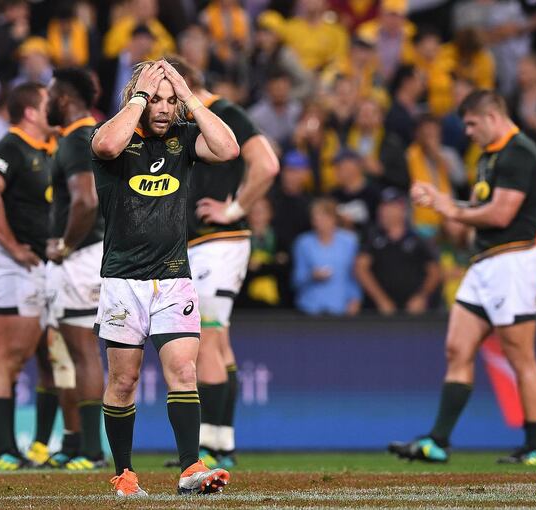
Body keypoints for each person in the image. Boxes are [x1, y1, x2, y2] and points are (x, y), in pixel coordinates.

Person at [91, 59, 238, 496]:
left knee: (183, 370)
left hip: (174, 277)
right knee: (123, 380)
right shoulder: (113, 137)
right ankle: (124, 473)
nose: (162, 108)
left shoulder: (184, 138)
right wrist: (139, 96)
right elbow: (104, 147)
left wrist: (189, 98)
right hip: (123, 281)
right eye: (156, 98)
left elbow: (229, 149)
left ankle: (191, 467)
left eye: (168, 101)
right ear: (136, 99)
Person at [390, 90, 536, 465]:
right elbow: (479, 213)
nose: (467, 130)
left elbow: (500, 215)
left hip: (513, 262)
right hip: (483, 263)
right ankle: (438, 441)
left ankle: (534, 448)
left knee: (520, 355)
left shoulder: (519, 153)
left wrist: (449, 206)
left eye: (472, 122)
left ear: (493, 116)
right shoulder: (489, 157)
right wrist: (443, 205)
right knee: (457, 349)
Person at [174, 56, 279, 469]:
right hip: (208, 245)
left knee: (208, 340)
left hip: (220, 242)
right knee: (221, 343)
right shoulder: (204, 118)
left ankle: (211, 448)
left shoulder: (225, 111)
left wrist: (235, 209)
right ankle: (223, 442)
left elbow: (267, 164)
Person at [0, 82, 54, 470]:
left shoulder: (46, 149)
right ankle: (1, 448)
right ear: (32, 112)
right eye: (49, 101)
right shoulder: (9, 148)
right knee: (4, 356)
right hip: (10, 263)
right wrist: (12, 245)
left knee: (30, 356)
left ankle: (18, 447)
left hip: (36, 265)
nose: (58, 104)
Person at [42, 68, 107, 470]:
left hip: (81, 259)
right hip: (82, 258)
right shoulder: (85, 137)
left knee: (82, 353)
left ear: (63, 99)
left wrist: (65, 244)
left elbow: (86, 200)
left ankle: (92, 450)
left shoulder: (78, 140)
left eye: (50, 94)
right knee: (62, 352)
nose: (46, 101)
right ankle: (73, 440)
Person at [354, 187, 441, 314]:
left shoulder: (417, 238)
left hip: (413, 312)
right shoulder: (372, 238)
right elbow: (361, 268)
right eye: (382, 206)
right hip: (379, 312)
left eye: (390, 207)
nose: (384, 212)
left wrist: (421, 296)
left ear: (402, 209)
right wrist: (381, 300)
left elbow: (434, 271)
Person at [292, 197, 361, 316]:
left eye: (325, 217)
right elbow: (296, 279)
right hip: (310, 308)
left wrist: (356, 299)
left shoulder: (350, 241)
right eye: (316, 218)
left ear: (334, 218)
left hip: (341, 308)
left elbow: (356, 275)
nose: (320, 221)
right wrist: (312, 275)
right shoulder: (303, 242)